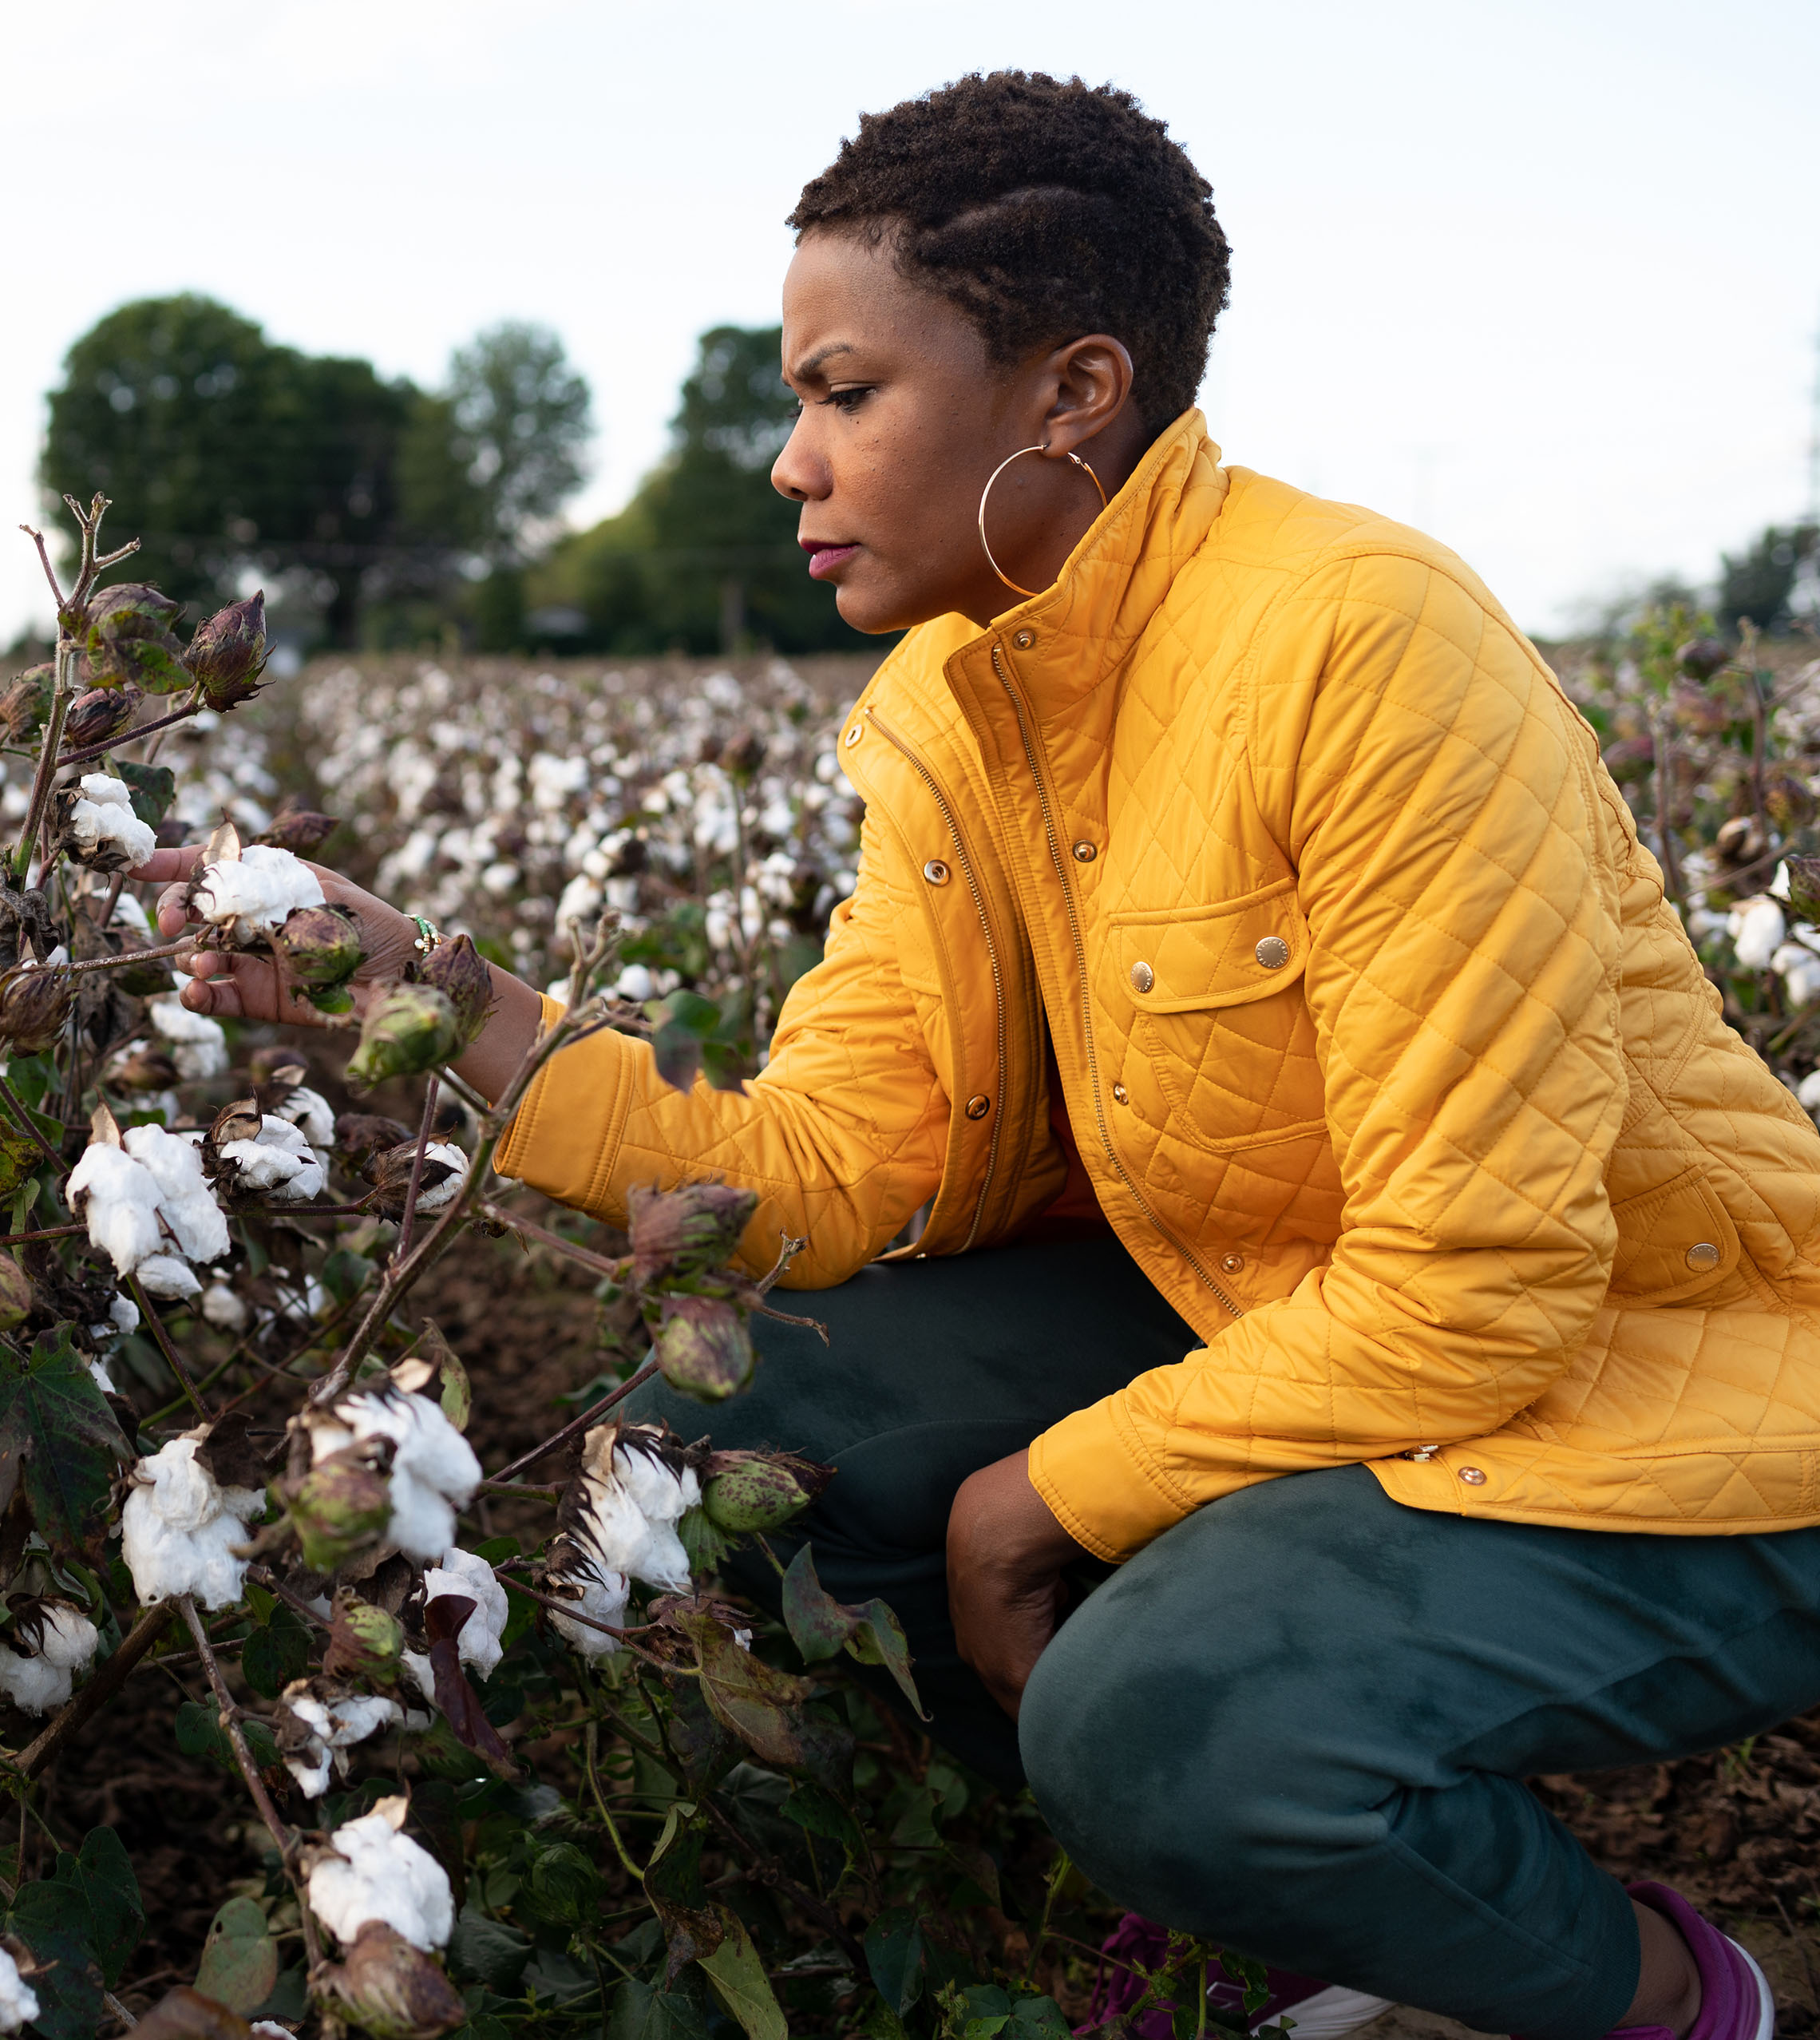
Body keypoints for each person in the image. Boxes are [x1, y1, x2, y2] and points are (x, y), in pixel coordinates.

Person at [138, 69, 1820, 2040]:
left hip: (1679, 1393)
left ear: (1071, 394)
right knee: (748, 1430)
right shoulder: (956, 697)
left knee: (1160, 1726)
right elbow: (839, 1163)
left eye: (845, 393)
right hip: (1296, 1317)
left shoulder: (1360, 644)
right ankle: (1293, 1898)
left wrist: (1039, 1497)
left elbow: (1487, 1284)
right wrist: (430, 998)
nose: (792, 460)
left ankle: (1662, 1996)